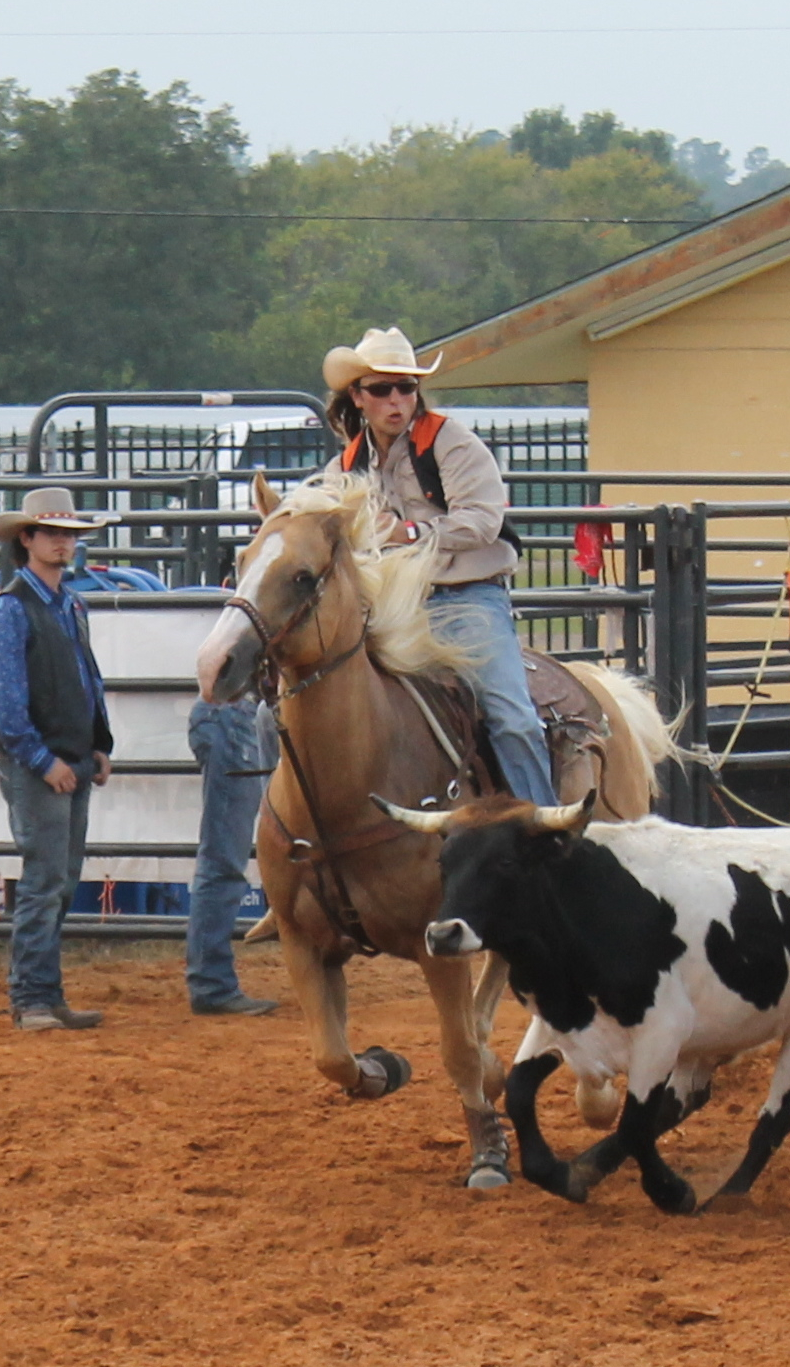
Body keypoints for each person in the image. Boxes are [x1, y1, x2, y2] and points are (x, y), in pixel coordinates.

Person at [320, 325, 557, 806]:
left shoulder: (452, 443)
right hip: (389, 604)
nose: (397, 399)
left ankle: (545, 826)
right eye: (382, 388)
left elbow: (483, 521)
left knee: (512, 717)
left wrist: (409, 534)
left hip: (467, 595)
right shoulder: (345, 466)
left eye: (406, 387)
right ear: (358, 397)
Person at [0, 488, 117, 1031]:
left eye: (70, 535)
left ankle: (40, 993)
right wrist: (43, 760)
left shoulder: (64, 603)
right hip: (45, 763)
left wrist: (98, 744)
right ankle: (33, 997)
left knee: (55, 880)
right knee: (47, 881)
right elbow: (6, 705)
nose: (65, 543)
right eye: (54, 534)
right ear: (28, 540)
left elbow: (88, 680)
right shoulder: (13, 608)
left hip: (66, 760)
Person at [184, 694, 280, 1016]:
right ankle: (211, 983)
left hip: (242, 714)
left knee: (225, 851)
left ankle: (211, 980)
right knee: (224, 855)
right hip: (236, 714)